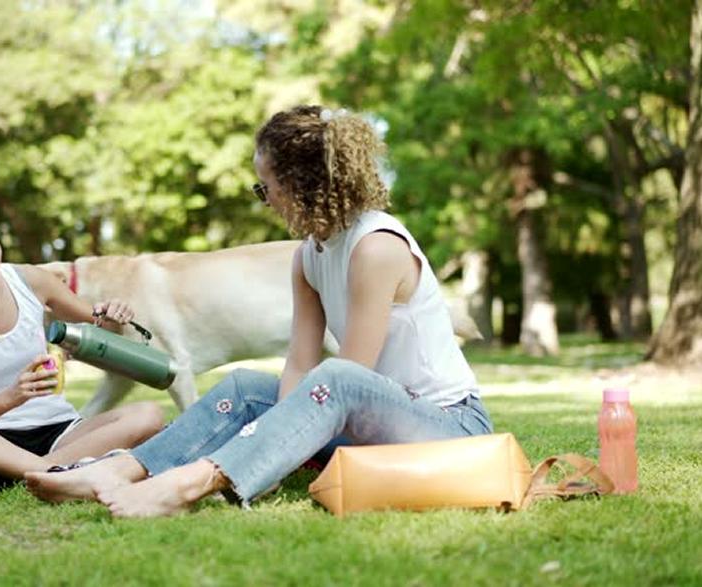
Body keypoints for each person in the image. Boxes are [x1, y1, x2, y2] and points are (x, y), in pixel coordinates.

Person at [25, 105, 493, 516]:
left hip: (447, 425)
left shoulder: (375, 247)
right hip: (369, 421)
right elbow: (299, 366)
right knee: (247, 385)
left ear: (298, 185)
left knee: (338, 379)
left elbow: (352, 381)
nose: (264, 200)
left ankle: (185, 486)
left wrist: (270, 445)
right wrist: (273, 440)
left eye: (264, 187)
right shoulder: (308, 255)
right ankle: (118, 470)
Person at [0, 190, 164, 494]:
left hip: (59, 432)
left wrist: (113, 314)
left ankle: (17, 475)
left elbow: (101, 326)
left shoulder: (31, 281)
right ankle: (53, 472)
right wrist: (11, 397)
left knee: (149, 414)